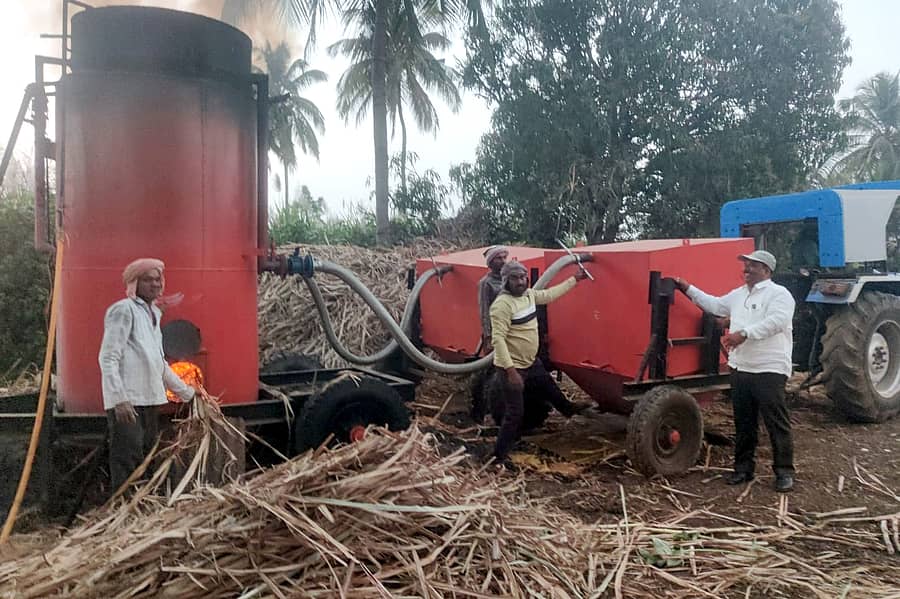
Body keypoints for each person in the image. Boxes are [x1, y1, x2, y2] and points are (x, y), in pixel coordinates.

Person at [673, 250, 797, 492]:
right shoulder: (739, 295)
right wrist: (687, 288)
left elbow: (776, 322)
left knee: (776, 422)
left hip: (769, 368)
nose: (746, 269)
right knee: (744, 422)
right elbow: (715, 304)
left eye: (753, 265)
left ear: (767, 270)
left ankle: (784, 472)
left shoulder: (779, 294)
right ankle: (743, 469)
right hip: (741, 367)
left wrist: (744, 334)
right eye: (746, 265)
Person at [98, 258, 196, 491]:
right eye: (148, 280)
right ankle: (124, 506)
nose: (155, 284)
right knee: (128, 462)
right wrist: (119, 399)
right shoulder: (123, 310)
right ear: (134, 284)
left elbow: (158, 363)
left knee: (146, 459)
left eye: (158, 279)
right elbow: (108, 357)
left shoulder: (152, 314)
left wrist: (188, 393)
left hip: (149, 401)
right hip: (128, 403)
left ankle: (143, 507)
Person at [488, 260, 588, 461]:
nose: (520, 282)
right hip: (512, 367)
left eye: (523, 277)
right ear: (506, 281)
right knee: (515, 413)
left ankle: (568, 409)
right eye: (515, 278)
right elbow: (498, 340)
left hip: (530, 362)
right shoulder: (502, 305)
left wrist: (575, 279)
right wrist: (511, 372)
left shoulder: (529, 295)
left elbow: (549, 295)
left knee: (548, 386)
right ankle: (498, 456)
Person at [477, 245, 509, 354]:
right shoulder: (486, 283)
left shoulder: (509, 279)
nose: (503, 261)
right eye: (499, 258)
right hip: (496, 331)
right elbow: (484, 311)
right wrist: (488, 336)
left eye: (504, 257)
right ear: (490, 262)